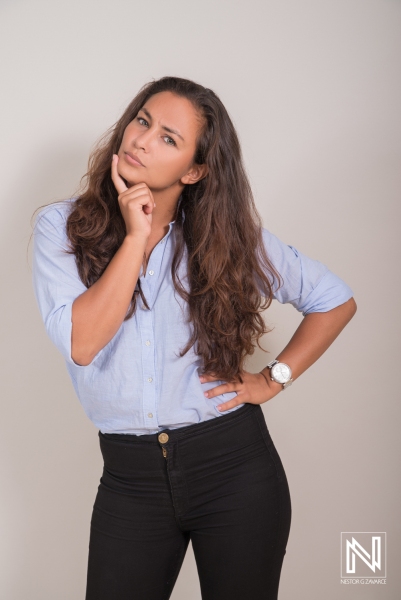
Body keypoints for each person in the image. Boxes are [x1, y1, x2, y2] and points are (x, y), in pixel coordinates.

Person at [31, 76, 357, 600]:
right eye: (142, 121)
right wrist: (136, 237)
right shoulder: (61, 227)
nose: (141, 139)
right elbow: (83, 342)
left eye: (168, 137)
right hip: (129, 479)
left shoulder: (224, 238)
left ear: (194, 170)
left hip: (234, 469)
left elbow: (335, 300)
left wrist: (272, 379)